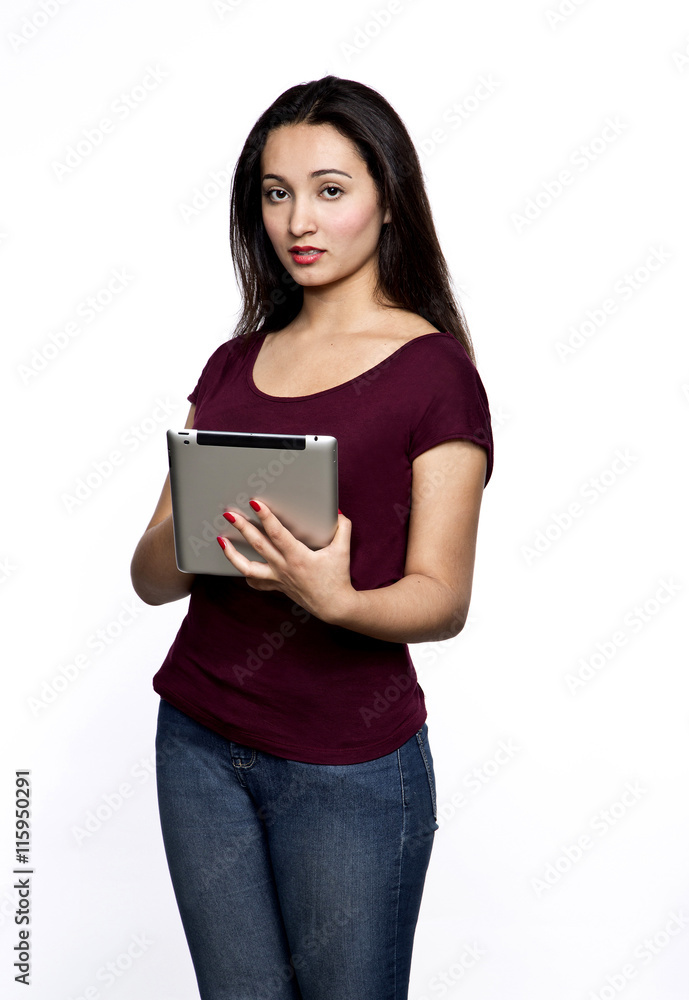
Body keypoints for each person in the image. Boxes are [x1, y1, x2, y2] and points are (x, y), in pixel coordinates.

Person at [130, 75, 494, 1000]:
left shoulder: (435, 373)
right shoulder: (234, 360)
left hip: (350, 767)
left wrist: (332, 598)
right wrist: (203, 535)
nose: (300, 218)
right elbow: (147, 576)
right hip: (199, 743)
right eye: (276, 191)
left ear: (387, 198)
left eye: (331, 189)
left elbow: (442, 596)